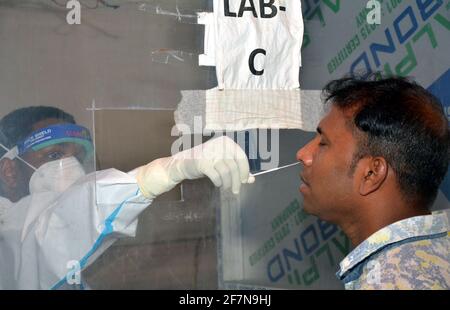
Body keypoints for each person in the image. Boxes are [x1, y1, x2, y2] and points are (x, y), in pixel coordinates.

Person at [0, 106, 254, 289]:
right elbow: (55, 230)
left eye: (77, 157)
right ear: (10, 172)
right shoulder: (10, 230)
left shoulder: (78, 254)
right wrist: (160, 173)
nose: (72, 168)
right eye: (54, 156)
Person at [296, 74, 450, 290]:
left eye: (323, 143)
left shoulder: (390, 281)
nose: (303, 154)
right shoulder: (435, 254)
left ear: (371, 173)